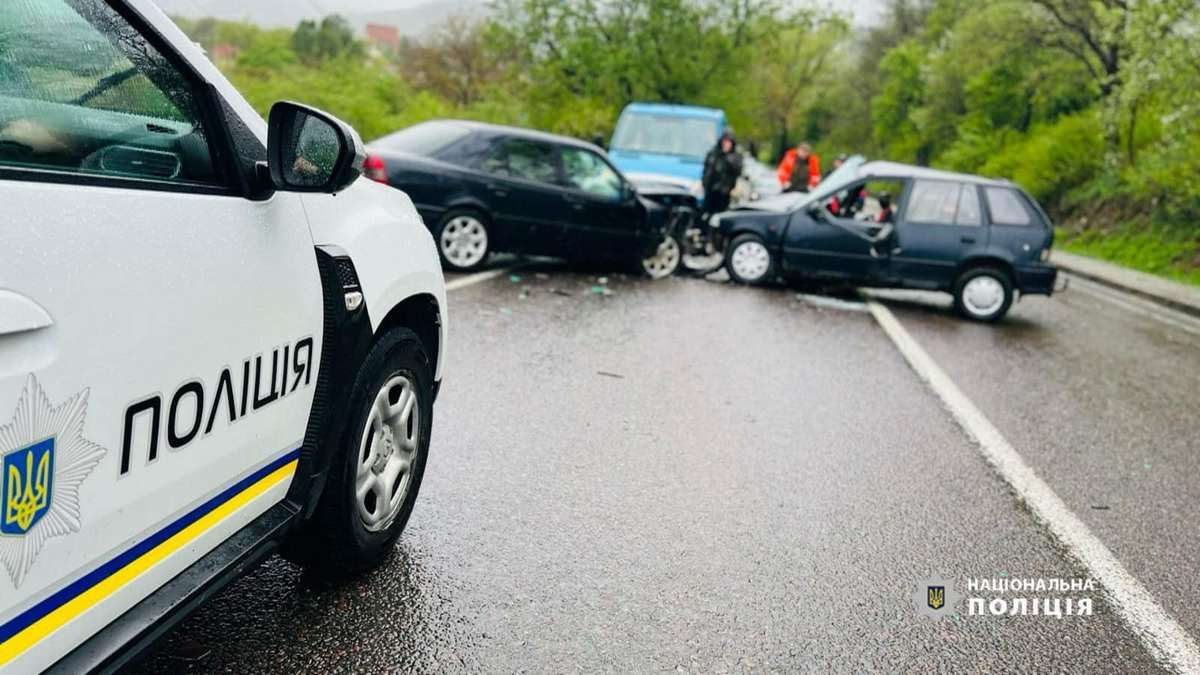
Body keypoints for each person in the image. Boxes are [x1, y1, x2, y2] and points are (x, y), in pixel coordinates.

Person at [702, 131, 743, 218]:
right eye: (724, 141)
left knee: (721, 214)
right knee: (707, 212)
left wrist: (727, 158)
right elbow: (707, 169)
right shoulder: (713, 153)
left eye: (728, 142)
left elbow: (737, 171)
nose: (726, 144)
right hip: (710, 189)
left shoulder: (735, 156)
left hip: (725, 192)